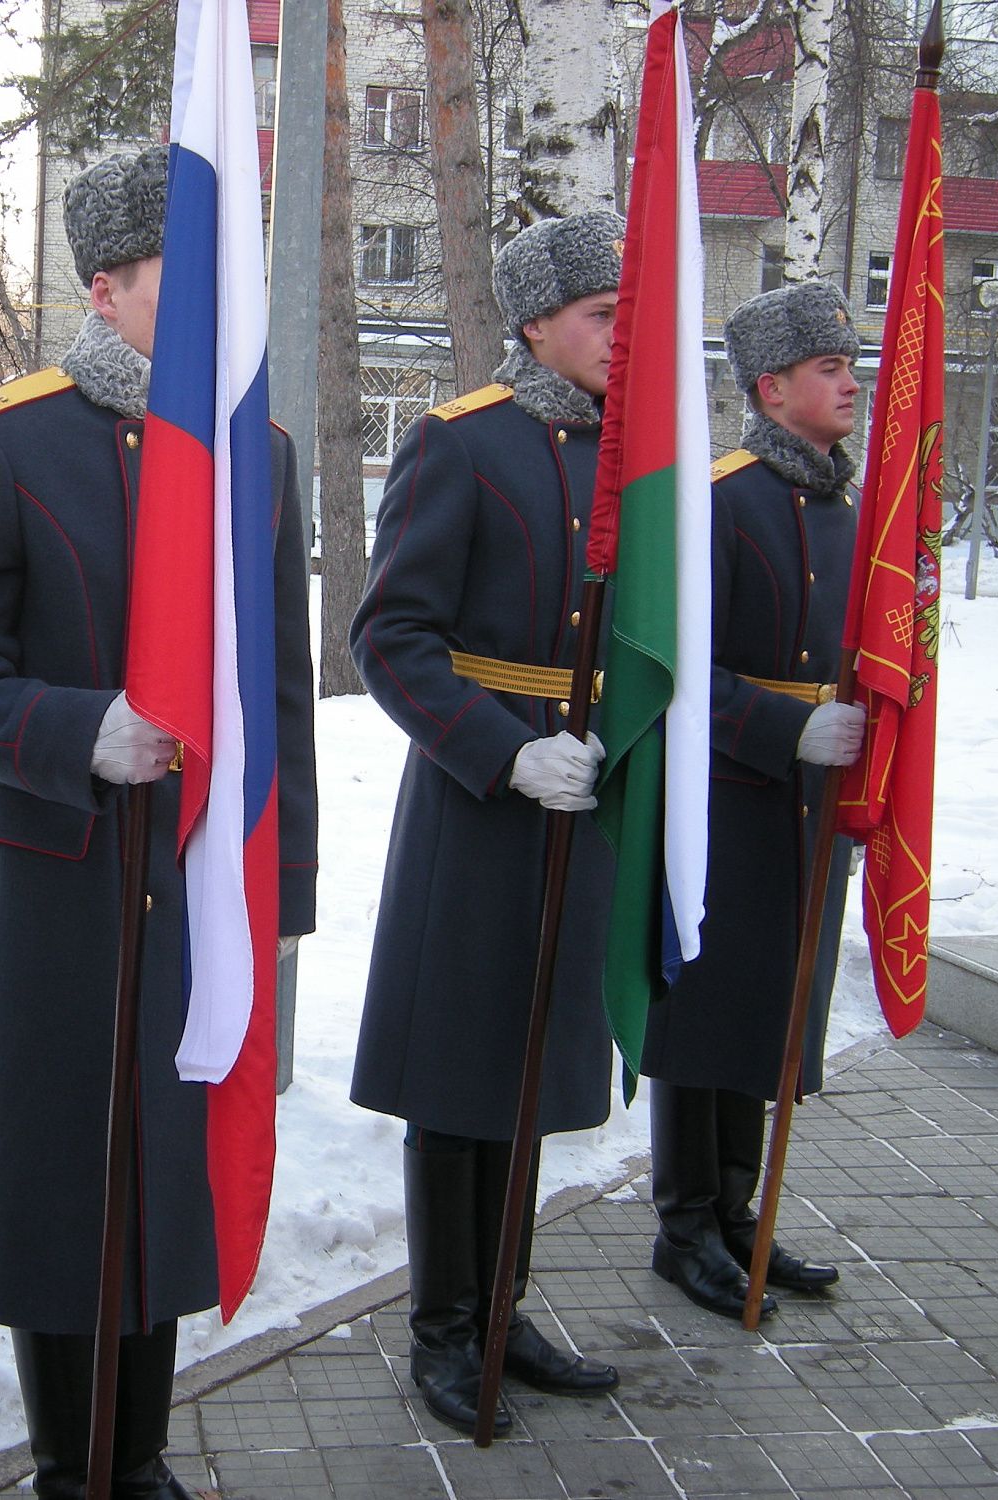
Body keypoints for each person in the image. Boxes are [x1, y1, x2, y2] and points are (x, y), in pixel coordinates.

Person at [0, 147, 318, 1500]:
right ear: (106, 289)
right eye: (178, 287)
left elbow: (284, 689)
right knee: (69, 1176)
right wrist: (79, 729)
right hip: (62, 875)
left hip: (202, 876)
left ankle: (139, 1453)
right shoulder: (6, 438)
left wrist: (284, 891)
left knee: (168, 1169)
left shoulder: (261, 452)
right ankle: (73, 1462)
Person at [346, 213, 628, 1436]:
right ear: (533, 323)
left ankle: (502, 1304)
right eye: (600, 315)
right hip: (480, 808)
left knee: (528, 1079)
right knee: (460, 1080)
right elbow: (387, 638)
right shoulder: (459, 445)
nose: (622, 335)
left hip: (591, 801)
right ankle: (444, 1329)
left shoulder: (639, 458)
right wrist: (505, 755)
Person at [642, 280, 866, 1321]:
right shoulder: (720, 499)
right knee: (708, 1015)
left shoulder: (842, 508)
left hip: (808, 805)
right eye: (829, 368)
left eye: (848, 363)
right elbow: (678, 666)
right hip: (728, 797)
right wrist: (783, 729)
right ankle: (686, 1224)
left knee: (770, 1013)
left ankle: (739, 1216)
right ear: (771, 389)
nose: (849, 382)